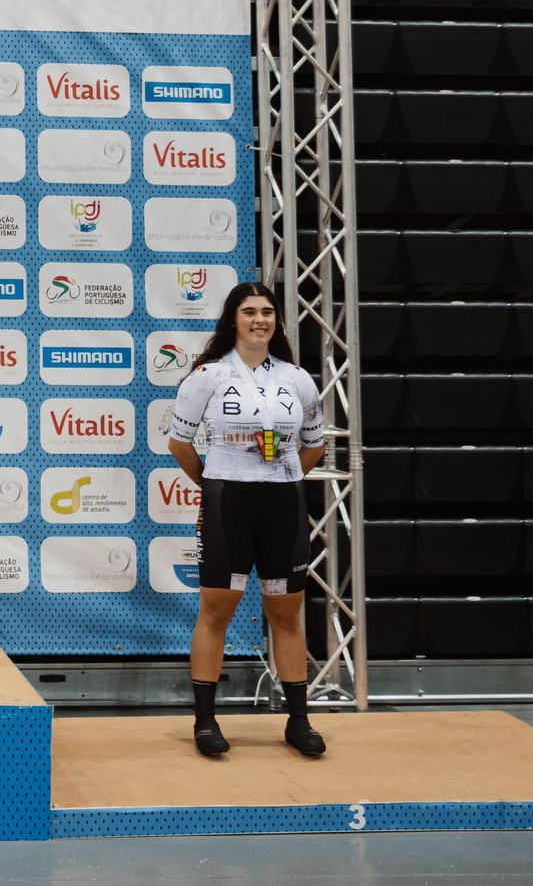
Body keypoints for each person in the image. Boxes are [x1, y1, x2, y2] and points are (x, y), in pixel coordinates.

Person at [166, 280, 328, 758]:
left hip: (283, 504)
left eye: (268, 312)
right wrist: (216, 483)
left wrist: (285, 475)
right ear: (233, 319)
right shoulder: (208, 376)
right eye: (249, 311)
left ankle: (298, 721)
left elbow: (314, 445)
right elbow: (179, 443)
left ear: (276, 320)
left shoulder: (297, 378)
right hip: (227, 504)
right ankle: (205, 721)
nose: (260, 319)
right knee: (216, 612)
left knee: (286, 613)